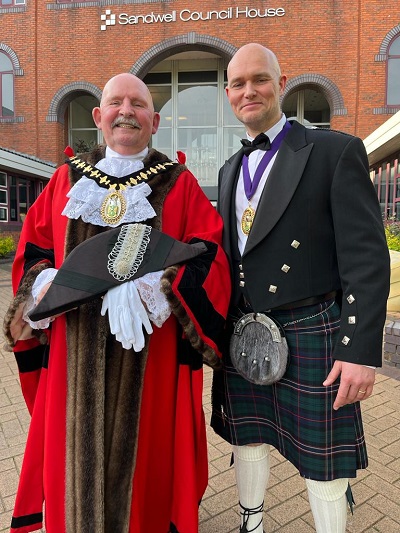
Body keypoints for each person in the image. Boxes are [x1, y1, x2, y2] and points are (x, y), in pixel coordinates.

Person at [3, 73, 231, 533]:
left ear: (155, 120)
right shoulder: (65, 179)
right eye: (116, 102)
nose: (126, 111)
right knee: (73, 463)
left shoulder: (178, 182)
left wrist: (158, 288)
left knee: (147, 466)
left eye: (138, 104)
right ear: (98, 116)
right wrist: (45, 281)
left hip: (153, 356)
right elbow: (35, 248)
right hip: (73, 354)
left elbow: (210, 253)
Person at [210, 43, 390, 533]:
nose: (249, 91)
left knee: (323, 460)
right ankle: (251, 523)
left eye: (259, 80)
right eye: (238, 83)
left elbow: (366, 258)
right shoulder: (228, 169)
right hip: (245, 331)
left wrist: (359, 351)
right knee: (246, 438)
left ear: (281, 84)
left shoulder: (334, 151)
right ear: (228, 94)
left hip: (314, 329)